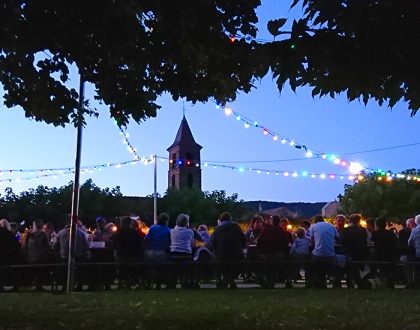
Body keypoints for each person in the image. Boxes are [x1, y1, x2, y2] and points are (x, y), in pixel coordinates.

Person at [207, 212, 246, 289]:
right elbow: (244, 240)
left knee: (216, 259)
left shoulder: (217, 229)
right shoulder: (237, 227)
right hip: (237, 257)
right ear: (230, 219)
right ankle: (229, 280)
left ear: (220, 220)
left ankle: (226, 280)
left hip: (221, 258)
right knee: (233, 261)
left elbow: (211, 244)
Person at [256, 215, 289, 288]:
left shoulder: (266, 229)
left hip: (266, 255)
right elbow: (285, 243)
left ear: (271, 221)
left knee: (258, 258)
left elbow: (259, 241)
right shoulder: (280, 230)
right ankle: (271, 281)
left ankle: (261, 277)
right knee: (273, 265)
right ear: (279, 222)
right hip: (278, 255)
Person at [113, 217, 144, 289]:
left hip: (121, 257)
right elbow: (139, 245)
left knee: (121, 266)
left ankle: (121, 282)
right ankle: (133, 281)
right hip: (133, 257)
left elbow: (114, 246)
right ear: (130, 223)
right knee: (136, 264)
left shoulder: (118, 233)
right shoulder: (135, 232)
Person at [309, 215, 339, 288]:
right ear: (323, 220)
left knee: (312, 257)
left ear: (315, 221)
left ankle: (318, 282)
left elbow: (312, 243)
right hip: (330, 256)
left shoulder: (313, 226)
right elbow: (337, 238)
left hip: (318, 256)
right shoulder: (332, 226)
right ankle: (328, 282)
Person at [340, 214, 368, 288]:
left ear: (350, 220)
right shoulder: (363, 230)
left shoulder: (345, 230)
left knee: (347, 264)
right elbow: (365, 241)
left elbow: (341, 241)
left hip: (348, 254)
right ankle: (358, 283)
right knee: (354, 267)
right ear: (359, 221)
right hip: (361, 254)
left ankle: (350, 283)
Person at [23, 219, 50, 291]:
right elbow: (48, 246)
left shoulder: (29, 235)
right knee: (46, 265)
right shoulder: (43, 234)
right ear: (42, 225)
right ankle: (39, 284)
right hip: (40, 259)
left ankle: (34, 283)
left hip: (30, 258)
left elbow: (25, 246)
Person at [371, 217, 399, 288]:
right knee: (388, 269)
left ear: (377, 225)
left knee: (371, 263)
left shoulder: (374, 233)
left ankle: (375, 280)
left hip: (379, 257)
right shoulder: (391, 234)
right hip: (391, 257)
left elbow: (372, 245)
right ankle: (390, 283)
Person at [0, 219, 23, 292]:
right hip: (8, 256)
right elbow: (17, 245)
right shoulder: (9, 233)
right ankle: (15, 286)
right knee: (12, 271)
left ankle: (1, 287)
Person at [408, 214, 420, 287]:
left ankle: (416, 283)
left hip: (418, 254)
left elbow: (410, 242)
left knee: (417, 268)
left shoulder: (415, 230)